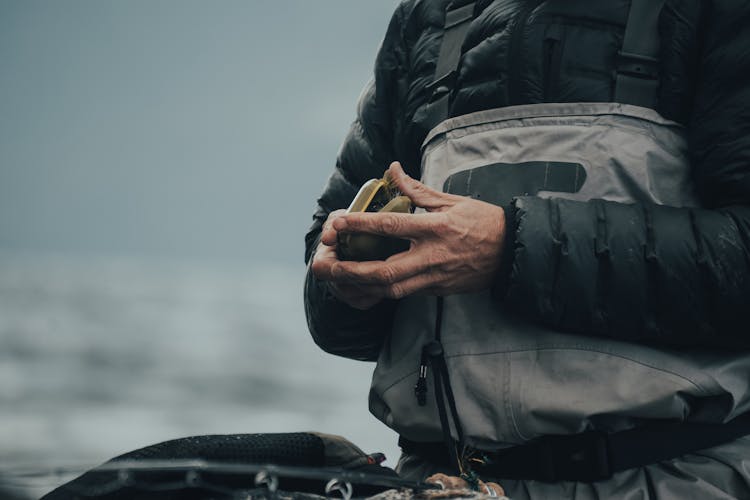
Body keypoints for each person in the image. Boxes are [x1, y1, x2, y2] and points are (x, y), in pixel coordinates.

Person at [304, 0, 750, 498]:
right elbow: (331, 309)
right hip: (438, 484)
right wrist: (346, 284)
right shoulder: (423, 18)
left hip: (673, 480)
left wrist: (510, 247)